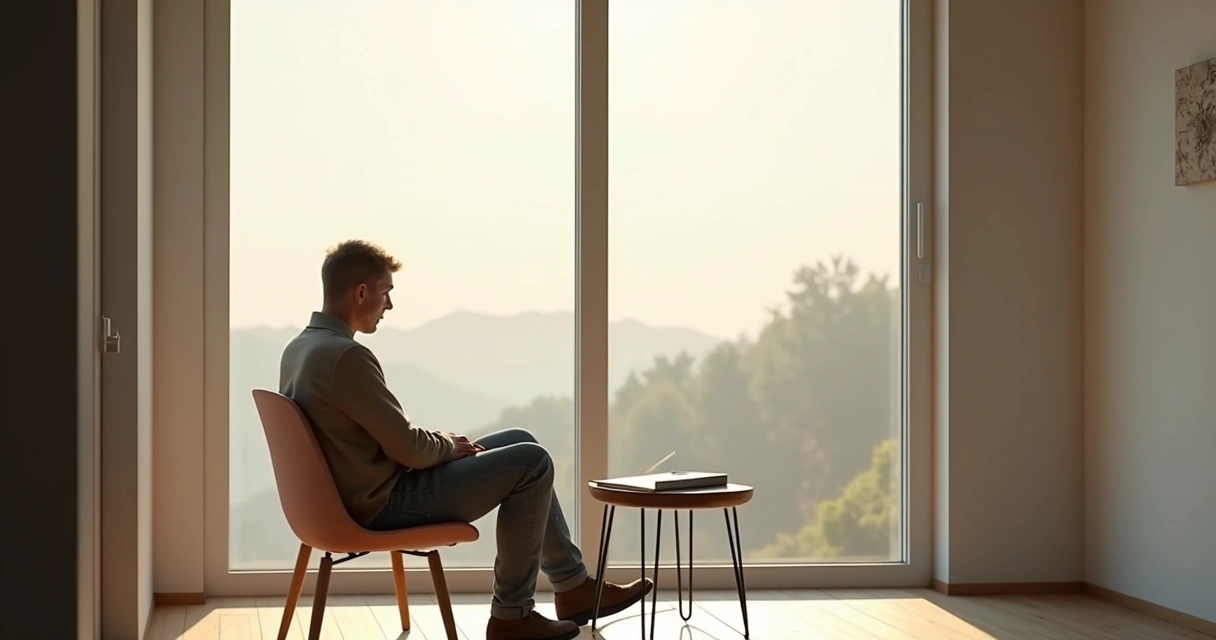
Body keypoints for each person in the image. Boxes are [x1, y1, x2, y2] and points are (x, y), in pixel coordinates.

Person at [279, 240, 650, 640]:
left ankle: (573, 587)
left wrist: (438, 443)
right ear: (361, 292)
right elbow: (406, 448)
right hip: (383, 502)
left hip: (356, 495)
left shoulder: (300, 348)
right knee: (533, 462)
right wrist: (444, 445)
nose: (389, 306)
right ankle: (513, 616)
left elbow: (387, 439)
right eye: (386, 292)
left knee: (520, 439)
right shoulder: (345, 357)